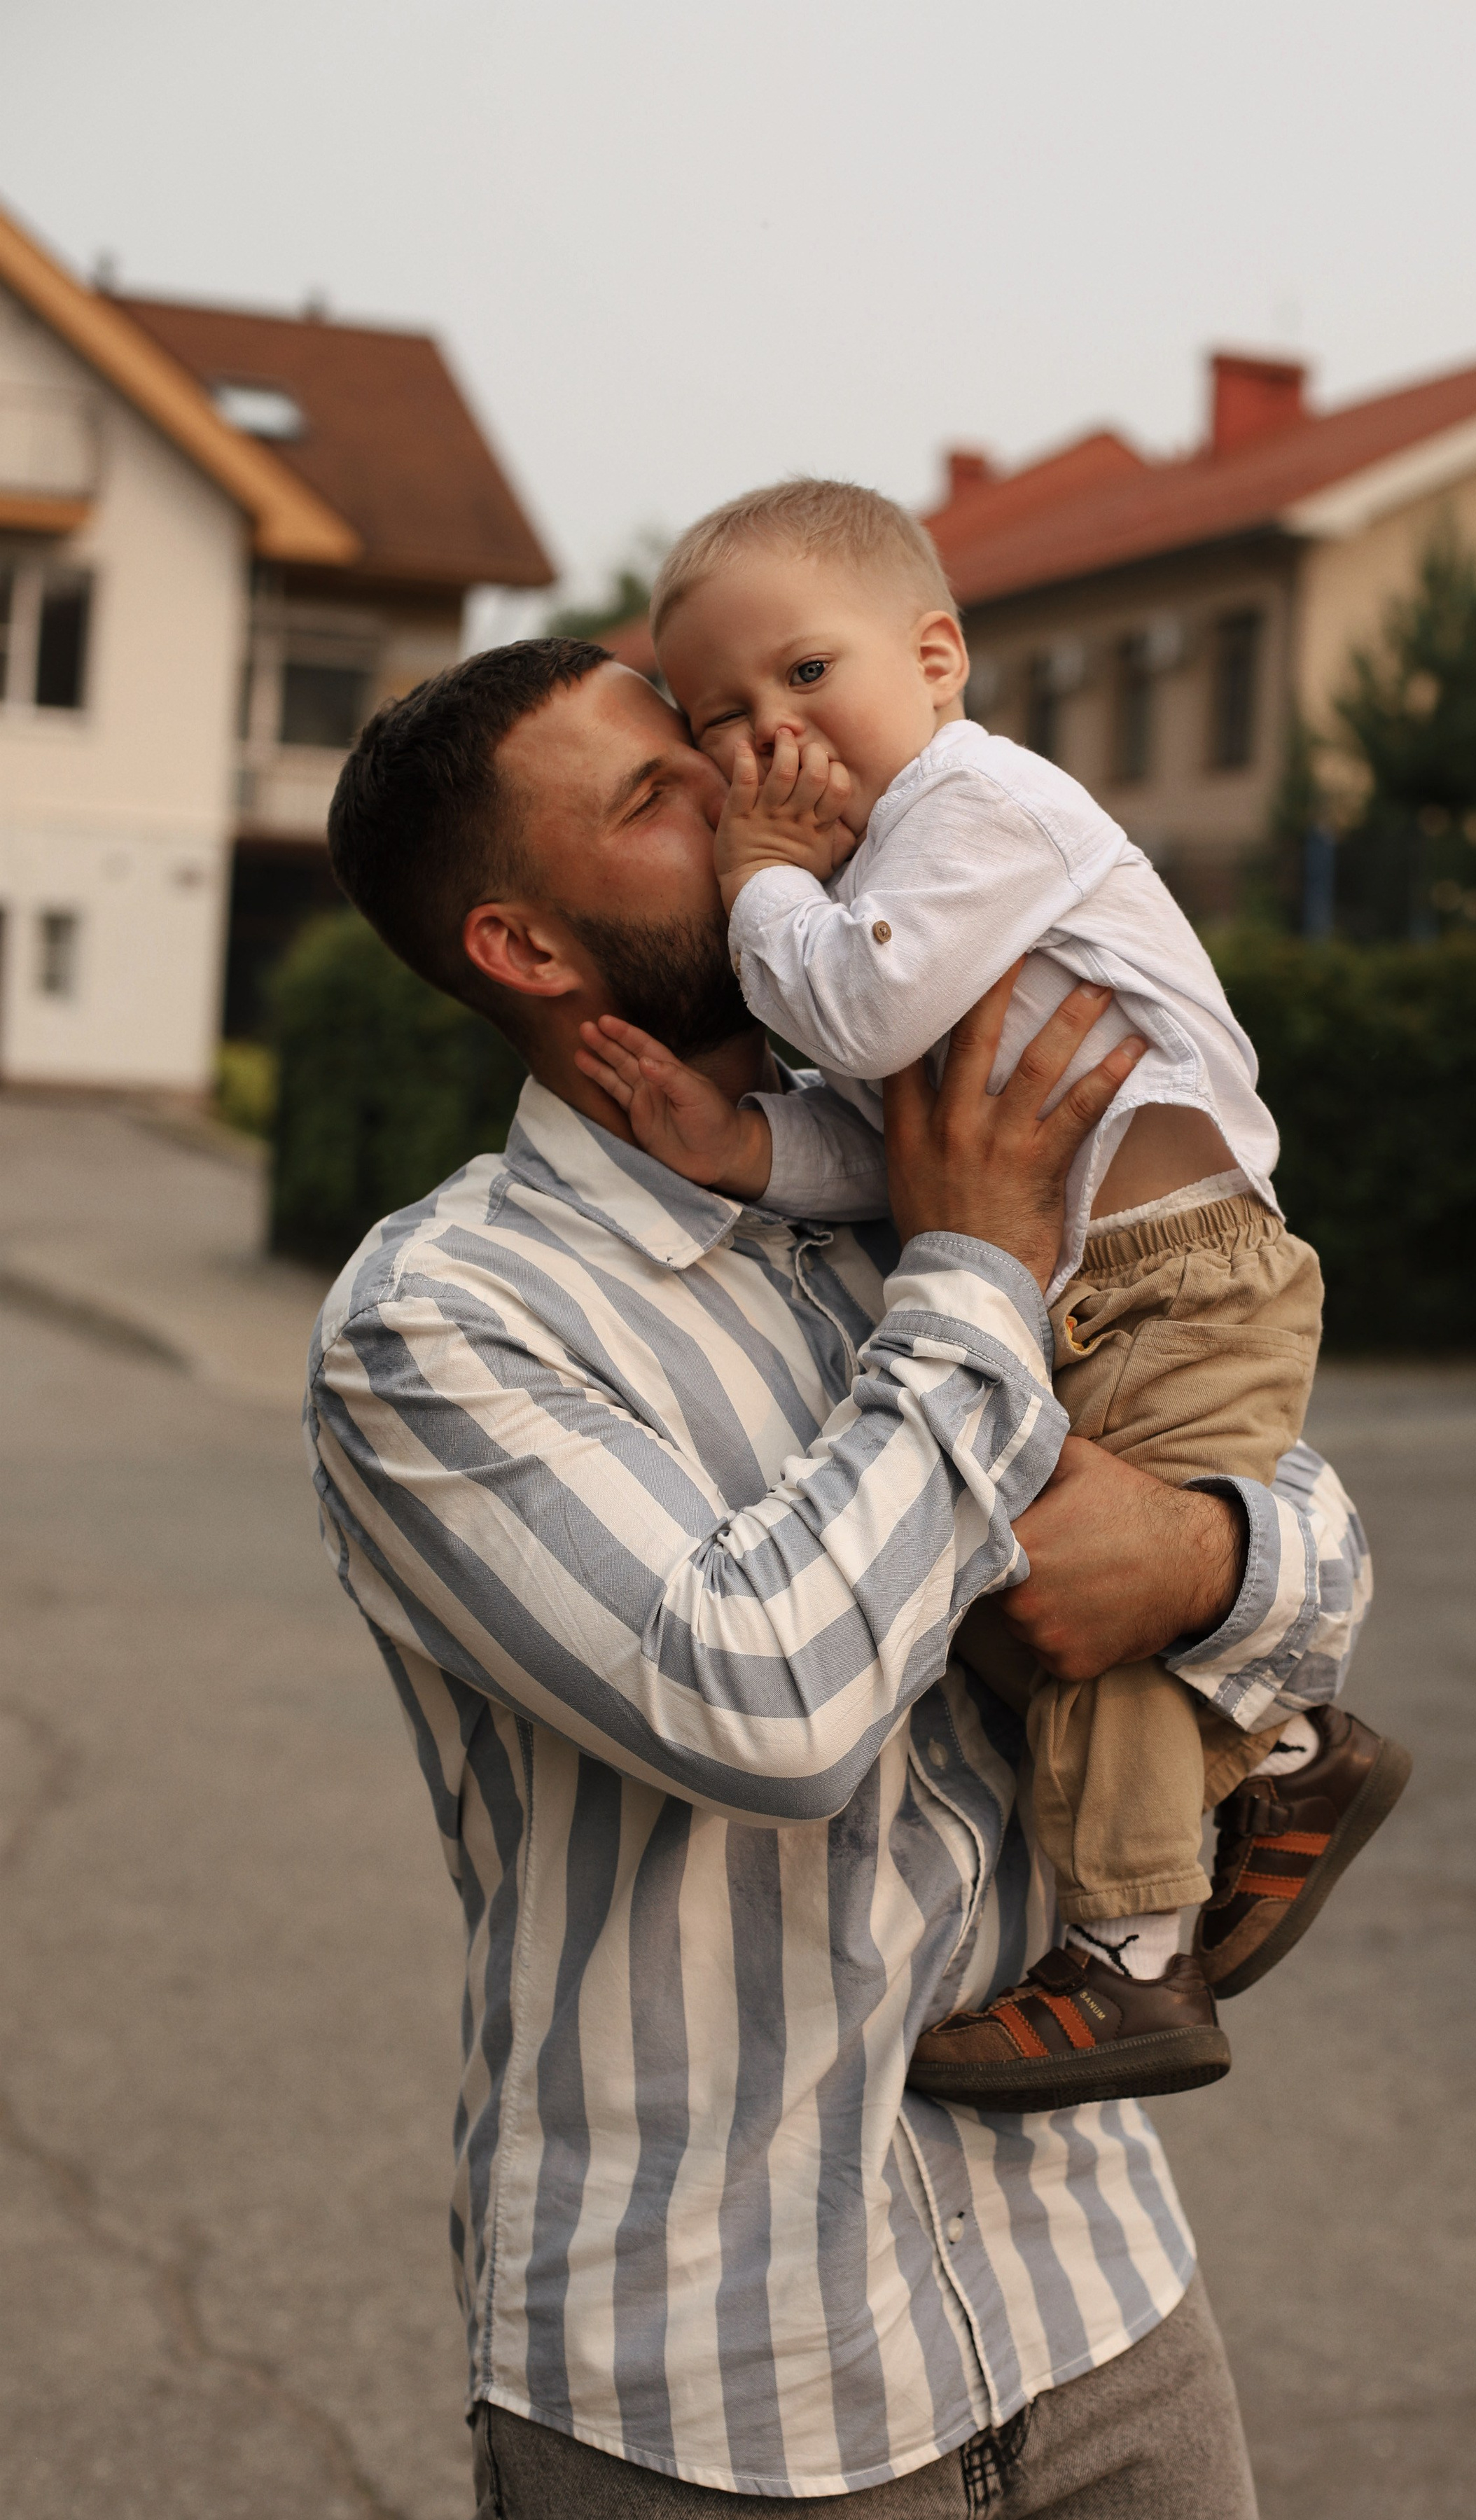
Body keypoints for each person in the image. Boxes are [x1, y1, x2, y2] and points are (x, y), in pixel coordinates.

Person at [310, 636, 1372, 2520]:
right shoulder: (436, 1327)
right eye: (653, 799)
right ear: (521, 941)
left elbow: (1312, 1533)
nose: (734, 793)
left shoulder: (902, 1143)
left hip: (1093, 2304)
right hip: (703, 2391)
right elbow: (766, 1702)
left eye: (697, 749)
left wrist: (1206, 1551)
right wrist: (970, 1268)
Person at [564, 479, 1407, 2108]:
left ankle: (1134, 1966)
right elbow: (907, 1139)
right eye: (721, 718)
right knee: (1013, 1612)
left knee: (1093, 1610)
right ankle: (1285, 1751)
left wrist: (757, 875)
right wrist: (741, 1143)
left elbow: (866, 1015)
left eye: (807, 677)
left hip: (1182, 1279)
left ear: (934, 658)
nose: (767, 741)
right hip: (1084, 1284)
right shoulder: (864, 871)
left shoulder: (976, 809)